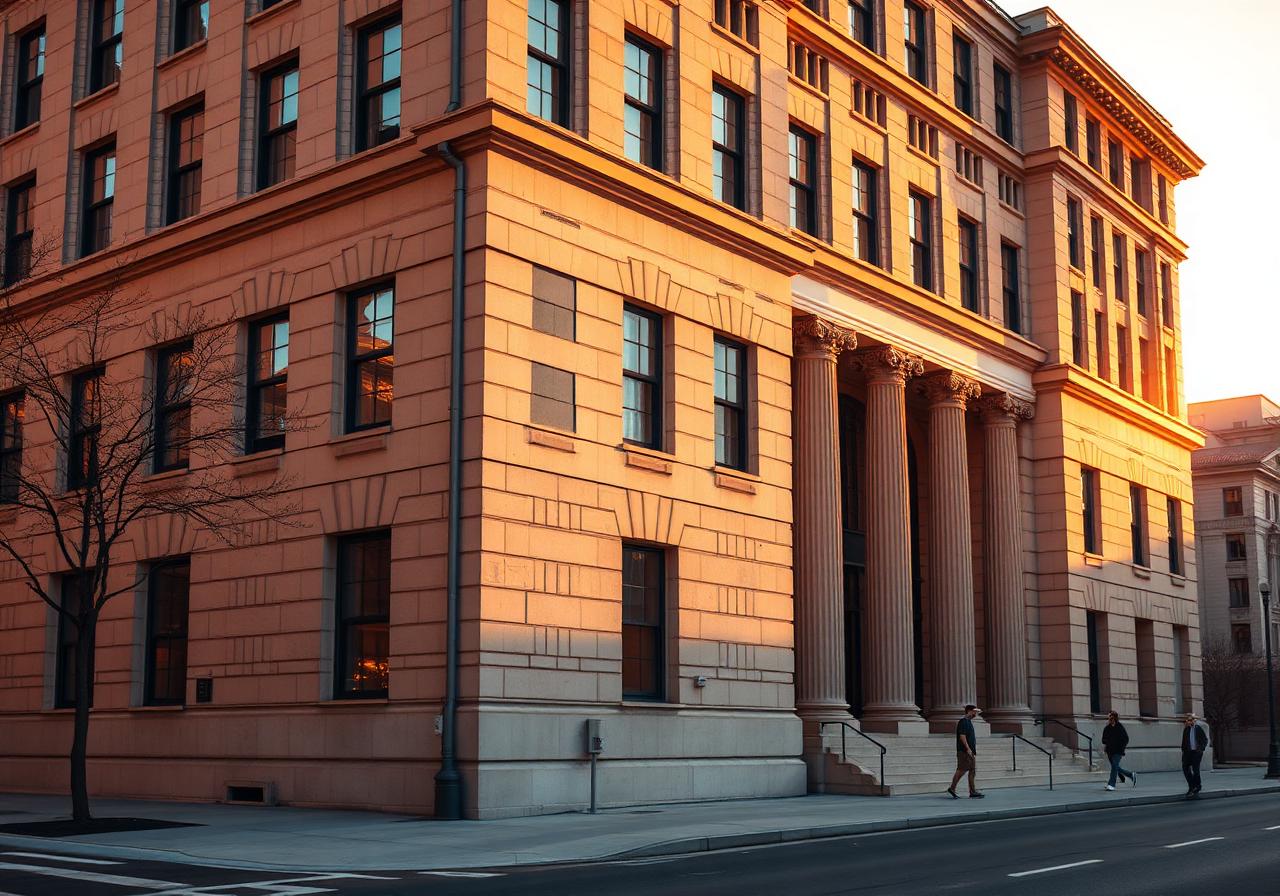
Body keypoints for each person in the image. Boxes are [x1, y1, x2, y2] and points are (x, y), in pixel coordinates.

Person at [947, 705, 984, 799]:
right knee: (961, 770)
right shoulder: (963, 722)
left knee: (972, 770)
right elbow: (962, 736)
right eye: (974, 711)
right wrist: (967, 748)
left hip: (970, 751)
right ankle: (952, 788)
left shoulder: (969, 722)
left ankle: (973, 791)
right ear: (969, 711)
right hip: (964, 751)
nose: (976, 714)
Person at [1101, 711, 1136, 791]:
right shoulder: (1107, 728)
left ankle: (1111, 784)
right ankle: (1131, 775)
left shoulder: (1120, 728)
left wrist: (1121, 748)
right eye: (1109, 718)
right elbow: (1103, 740)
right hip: (1109, 751)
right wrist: (1108, 742)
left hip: (1118, 751)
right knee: (1115, 767)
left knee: (1114, 766)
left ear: (1115, 718)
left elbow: (1126, 739)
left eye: (1111, 718)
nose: (1109, 719)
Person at [1181, 713, 1208, 797]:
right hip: (1188, 752)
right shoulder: (1186, 730)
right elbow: (1184, 742)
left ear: (1194, 721)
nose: (1188, 722)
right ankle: (1192, 785)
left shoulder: (1198, 729)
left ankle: (1197, 786)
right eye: (1188, 720)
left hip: (1196, 752)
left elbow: (1205, 740)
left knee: (1196, 770)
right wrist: (1183, 751)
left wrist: (1201, 749)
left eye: (1190, 720)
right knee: (1185, 768)